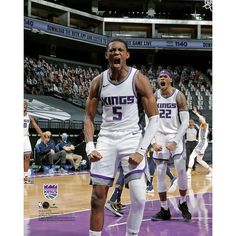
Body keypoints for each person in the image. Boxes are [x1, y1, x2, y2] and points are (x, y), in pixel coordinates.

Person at [84, 38, 159, 236]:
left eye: (120, 50)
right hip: (107, 139)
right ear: (107, 55)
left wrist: (141, 150)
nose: (116, 53)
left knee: (140, 198)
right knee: (97, 198)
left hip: (131, 138)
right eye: (112, 50)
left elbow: (154, 119)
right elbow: (89, 117)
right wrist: (90, 146)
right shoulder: (98, 81)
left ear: (127, 55)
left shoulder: (138, 79)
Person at [151, 69, 192, 222]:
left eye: (165, 76)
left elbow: (186, 122)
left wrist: (175, 140)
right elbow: (150, 120)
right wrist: (153, 141)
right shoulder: (154, 96)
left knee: (181, 170)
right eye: (160, 76)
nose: (162, 78)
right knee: (160, 172)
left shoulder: (178, 95)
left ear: (170, 80)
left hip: (175, 134)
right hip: (160, 136)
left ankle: (183, 203)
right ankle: (164, 209)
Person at [186, 107, 212, 178]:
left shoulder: (204, 124)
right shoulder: (202, 125)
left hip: (202, 143)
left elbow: (203, 120)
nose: (200, 119)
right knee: (199, 160)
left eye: (201, 118)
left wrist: (196, 113)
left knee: (192, 156)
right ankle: (211, 171)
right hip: (202, 143)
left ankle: (188, 172)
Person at [24, 99, 44, 184]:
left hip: (25, 137)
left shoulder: (29, 116)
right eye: (22, 104)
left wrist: (42, 136)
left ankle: (25, 177)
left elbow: (36, 127)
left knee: (27, 156)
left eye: (25, 105)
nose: (24, 106)